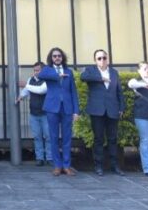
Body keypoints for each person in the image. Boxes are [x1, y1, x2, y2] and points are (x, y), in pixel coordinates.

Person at [80, 49, 125, 175]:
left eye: (104, 58)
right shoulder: (91, 71)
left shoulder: (114, 72)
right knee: (98, 139)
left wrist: (121, 108)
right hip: (97, 110)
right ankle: (98, 166)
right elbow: (83, 77)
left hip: (112, 110)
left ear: (108, 58)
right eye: (99, 58)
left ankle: (115, 166)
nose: (102, 60)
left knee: (113, 139)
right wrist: (101, 78)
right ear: (95, 60)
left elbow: (119, 92)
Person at [37, 47, 80, 176]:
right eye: (54, 56)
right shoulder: (48, 70)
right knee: (54, 137)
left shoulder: (69, 71)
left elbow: (73, 92)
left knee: (67, 138)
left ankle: (66, 166)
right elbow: (40, 75)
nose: (57, 58)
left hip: (67, 108)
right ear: (51, 58)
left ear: (62, 58)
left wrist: (76, 111)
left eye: (59, 56)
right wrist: (57, 75)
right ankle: (57, 166)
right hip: (52, 108)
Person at [16, 61, 49, 166]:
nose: (36, 72)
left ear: (43, 71)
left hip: (46, 114)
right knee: (37, 137)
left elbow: (41, 90)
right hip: (34, 114)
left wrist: (26, 85)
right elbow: (26, 91)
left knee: (49, 136)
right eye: (34, 70)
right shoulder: (30, 80)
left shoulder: (47, 80)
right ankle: (39, 158)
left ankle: (50, 158)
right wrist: (20, 96)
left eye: (38, 70)